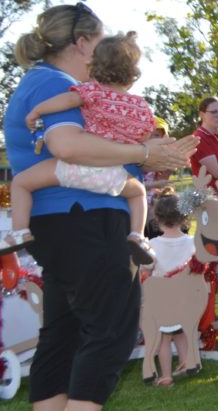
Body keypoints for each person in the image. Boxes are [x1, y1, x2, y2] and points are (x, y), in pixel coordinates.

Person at [5, 4, 195, 411]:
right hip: (81, 219)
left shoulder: (44, 84)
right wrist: (143, 153)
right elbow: (68, 146)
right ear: (84, 43)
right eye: (101, 41)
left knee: (64, 334)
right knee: (111, 328)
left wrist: (154, 156)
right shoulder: (54, 85)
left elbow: (86, 142)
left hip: (66, 220)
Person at [5, 33, 157, 264]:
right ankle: (138, 236)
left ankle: (19, 232)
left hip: (74, 169)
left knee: (21, 182)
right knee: (138, 193)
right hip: (114, 176)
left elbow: (64, 101)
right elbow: (145, 134)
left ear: (93, 67)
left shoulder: (91, 92)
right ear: (133, 76)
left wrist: (37, 112)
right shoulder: (141, 106)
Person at [139, 191, 196, 387]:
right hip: (185, 297)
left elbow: (146, 268)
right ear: (184, 217)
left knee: (164, 338)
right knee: (181, 333)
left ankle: (166, 375)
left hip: (161, 298)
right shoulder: (192, 243)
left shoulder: (153, 245)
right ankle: (185, 363)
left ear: (157, 219)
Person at [191, 96, 218, 188]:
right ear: (202, 114)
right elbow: (217, 172)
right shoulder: (199, 138)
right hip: (210, 197)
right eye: (214, 112)